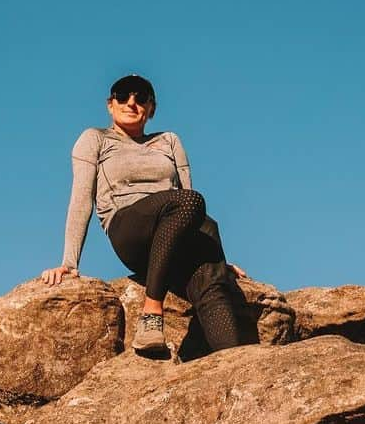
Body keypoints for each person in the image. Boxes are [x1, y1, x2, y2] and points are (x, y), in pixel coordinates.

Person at [41, 74, 250, 356]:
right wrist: (68, 262)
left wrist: (216, 257)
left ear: (151, 108)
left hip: (175, 230)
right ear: (110, 104)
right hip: (129, 228)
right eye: (123, 95)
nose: (131, 102)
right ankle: (152, 311)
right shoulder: (95, 139)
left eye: (141, 98)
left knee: (211, 274)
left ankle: (232, 363)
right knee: (189, 203)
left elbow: (192, 205)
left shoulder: (169, 140)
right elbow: (81, 199)